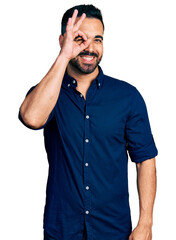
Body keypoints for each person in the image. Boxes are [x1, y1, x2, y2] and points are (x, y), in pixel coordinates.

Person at [18, 4, 158, 240]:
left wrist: (146, 222)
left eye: (97, 39)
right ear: (63, 39)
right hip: (62, 229)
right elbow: (31, 118)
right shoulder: (48, 93)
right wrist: (65, 54)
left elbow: (145, 160)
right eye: (80, 39)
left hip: (113, 230)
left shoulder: (128, 97)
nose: (89, 48)